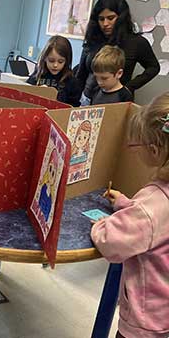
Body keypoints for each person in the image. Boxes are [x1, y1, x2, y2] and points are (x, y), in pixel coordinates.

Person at [91, 91, 169, 338]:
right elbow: (156, 226)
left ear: (155, 150)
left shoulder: (153, 203)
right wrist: (127, 204)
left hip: (145, 323)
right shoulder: (153, 206)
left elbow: (111, 242)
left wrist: (103, 223)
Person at [76, 0, 160, 105]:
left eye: (111, 18)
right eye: (101, 19)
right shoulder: (93, 39)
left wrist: (130, 87)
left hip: (117, 102)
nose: (105, 23)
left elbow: (154, 67)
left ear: (121, 17)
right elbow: (81, 75)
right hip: (86, 100)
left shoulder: (137, 42)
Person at [26, 36, 82, 107]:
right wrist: (38, 91)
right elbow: (26, 92)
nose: (55, 65)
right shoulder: (38, 74)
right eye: (51, 61)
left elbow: (73, 107)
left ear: (66, 61)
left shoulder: (71, 82)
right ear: (45, 58)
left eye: (60, 61)